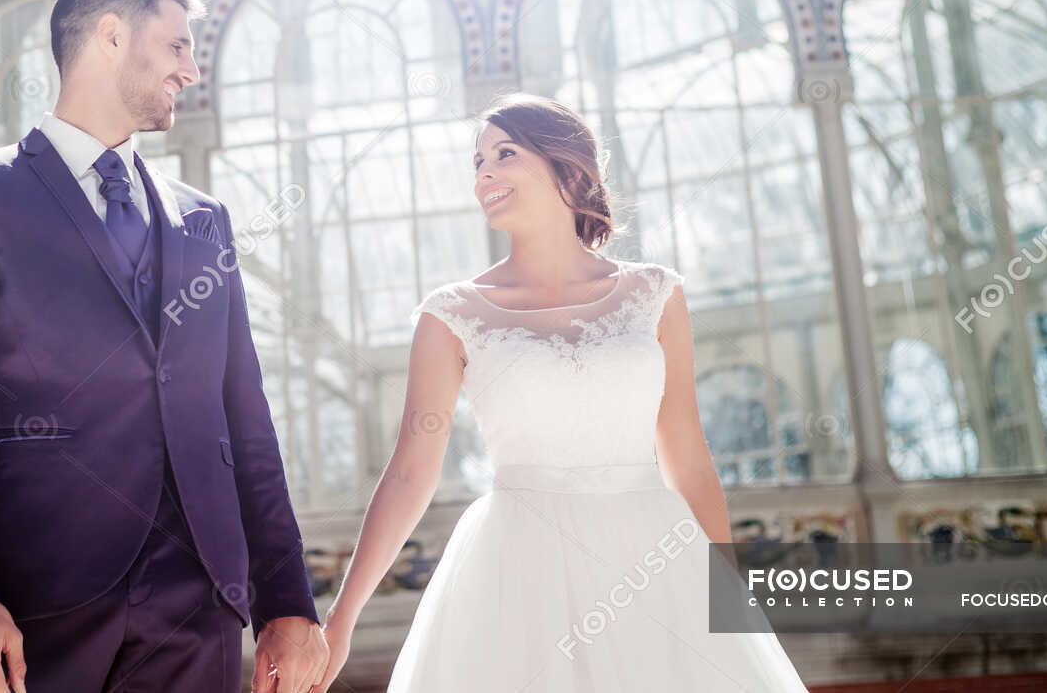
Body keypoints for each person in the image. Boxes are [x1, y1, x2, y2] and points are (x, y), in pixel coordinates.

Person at [0, 0, 328, 693]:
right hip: (39, 607)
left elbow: (245, 419)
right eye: (178, 46)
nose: (191, 69)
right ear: (110, 34)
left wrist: (287, 601)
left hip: (200, 602)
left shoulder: (205, 221)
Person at [312, 94, 809, 692]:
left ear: (566, 165)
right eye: (477, 162)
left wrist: (726, 602)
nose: (484, 173)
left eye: (504, 153)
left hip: (657, 562)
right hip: (517, 571)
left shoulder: (654, 294)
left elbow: (689, 458)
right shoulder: (452, 315)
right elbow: (409, 473)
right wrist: (340, 621)